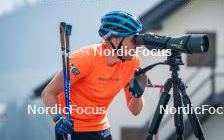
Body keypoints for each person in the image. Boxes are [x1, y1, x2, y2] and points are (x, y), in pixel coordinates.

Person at [41, 11, 149, 140]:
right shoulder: (85, 58)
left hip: (102, 129)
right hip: (73, 129)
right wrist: (58, 119)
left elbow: (135, 111)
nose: (137, 45)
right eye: (134, 40)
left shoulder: (133, 62)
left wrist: (138, 94)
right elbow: (49, 92)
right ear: (115, 39)